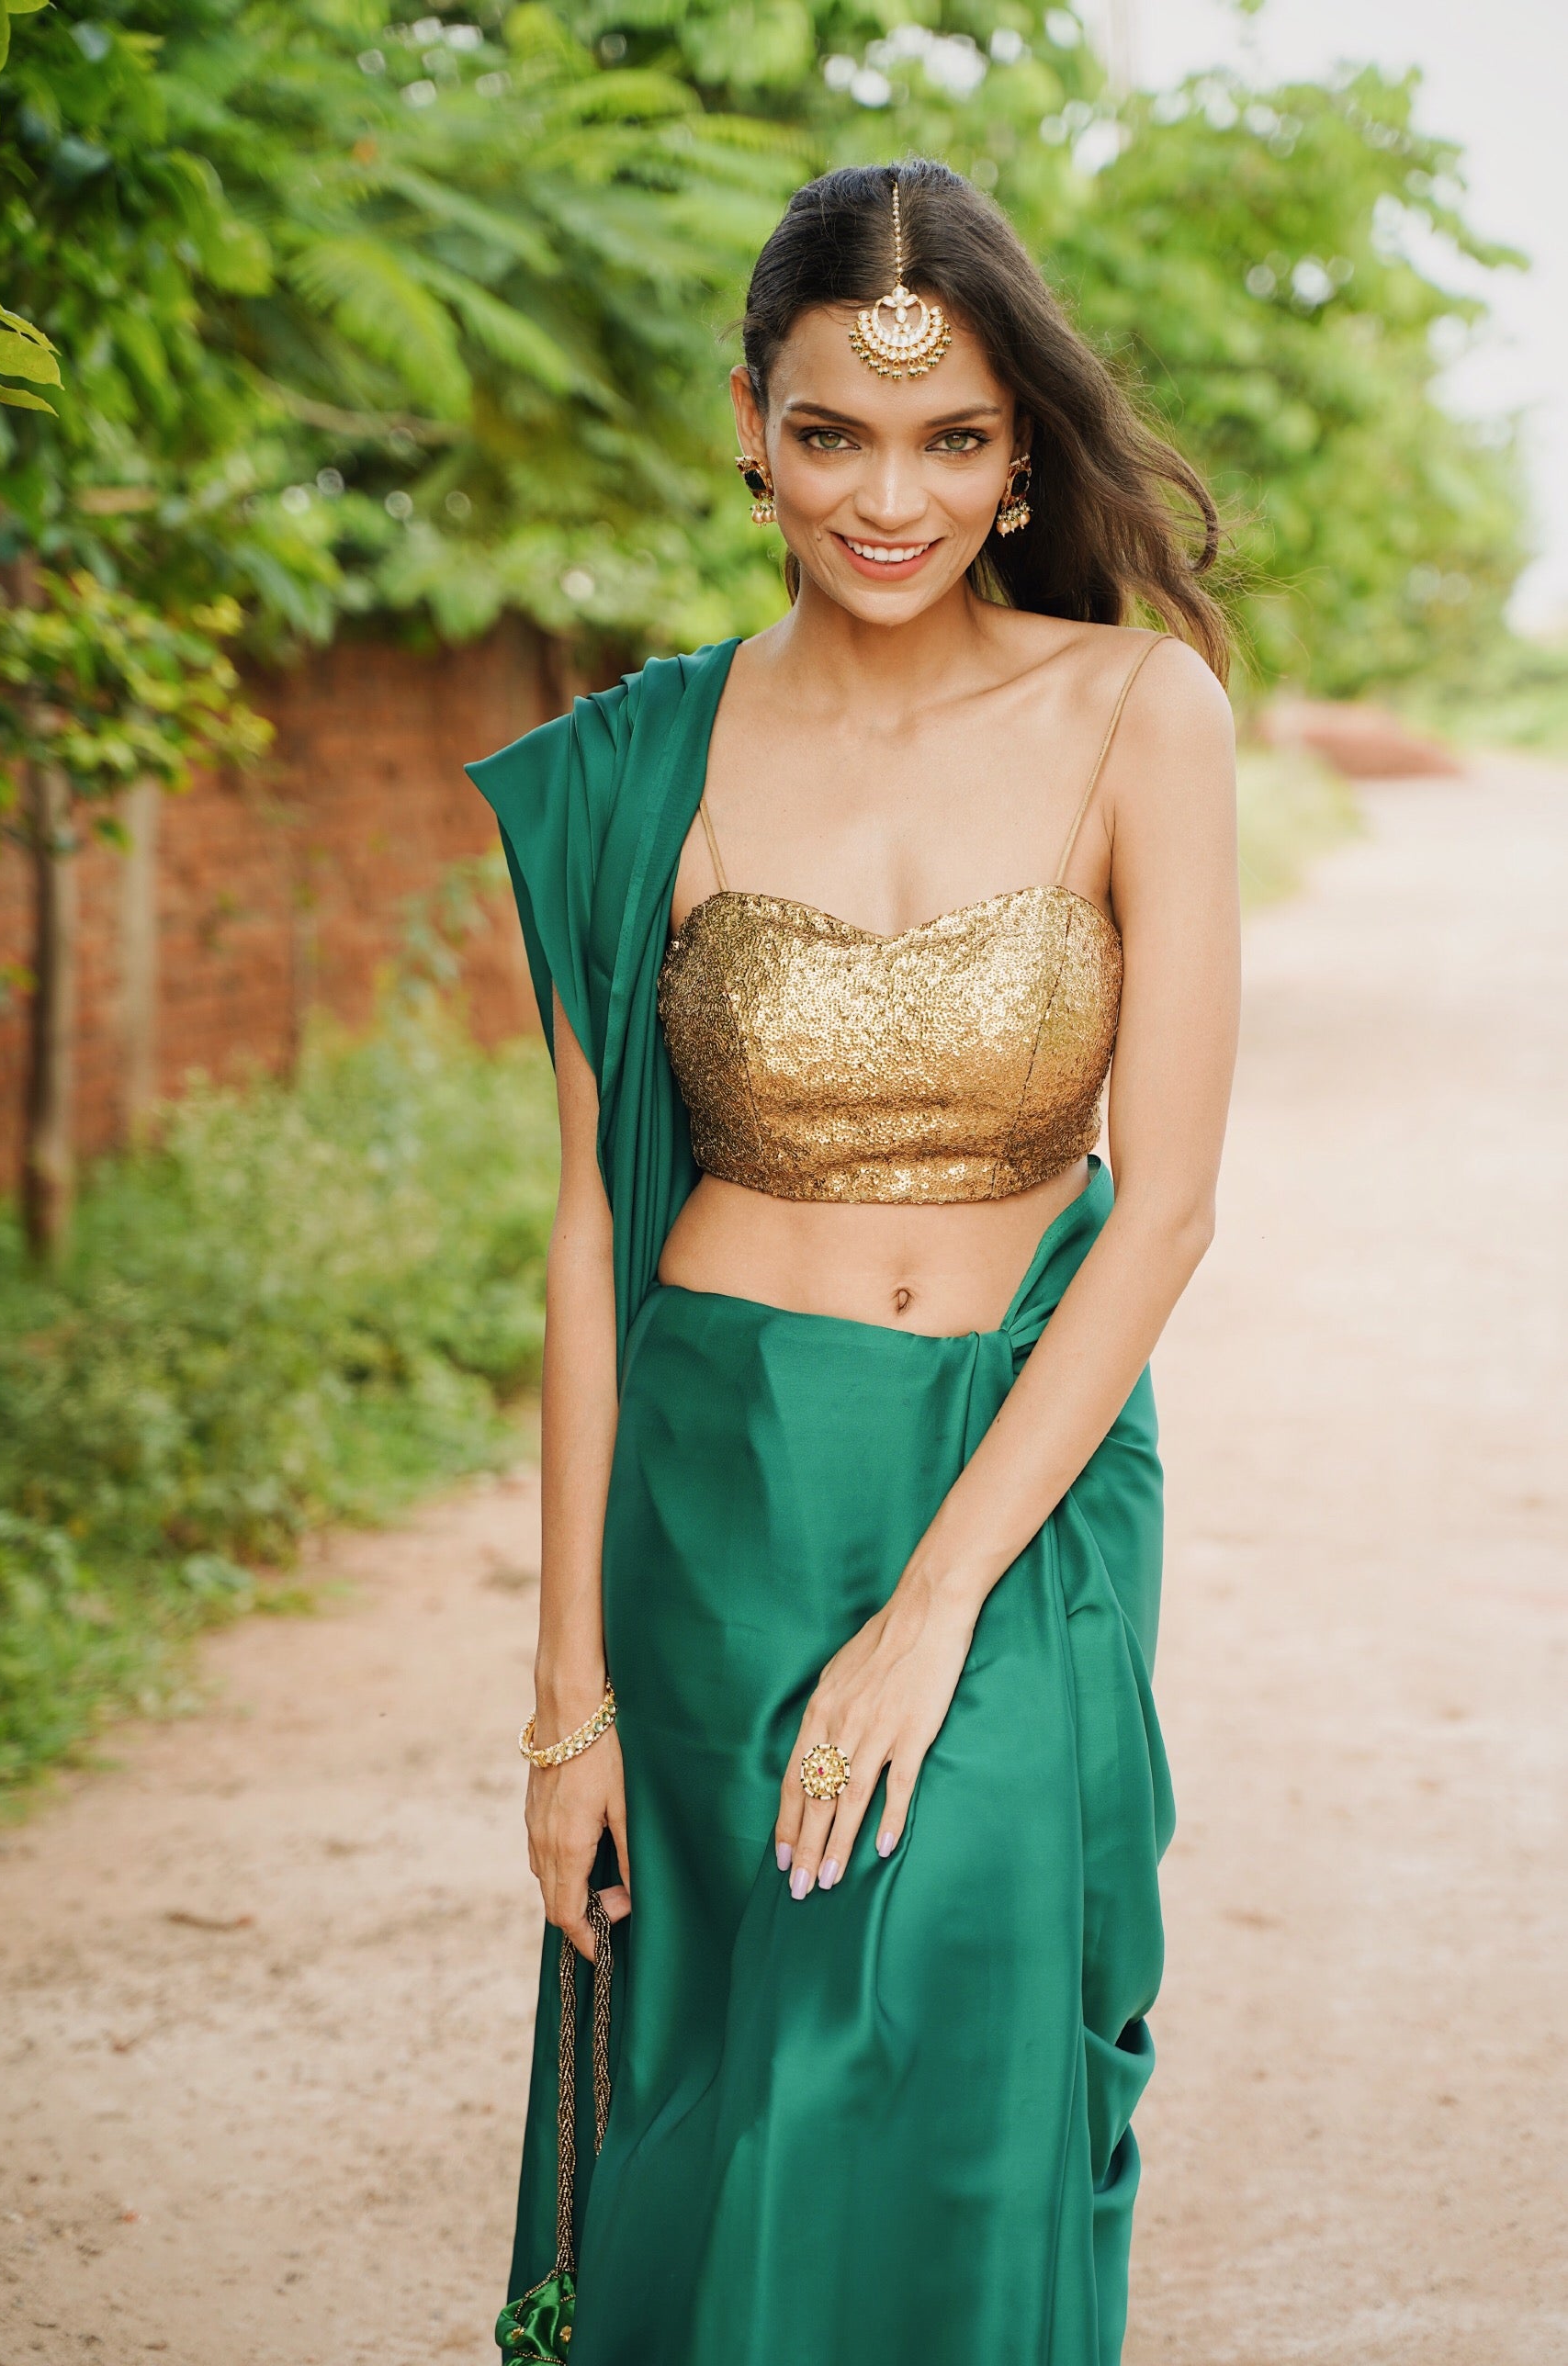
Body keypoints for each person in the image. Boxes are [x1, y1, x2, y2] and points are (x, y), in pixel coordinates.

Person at [468, 157, 1239, 2366]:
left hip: (1012, 1495)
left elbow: (1163, 1205)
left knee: (966, 2054)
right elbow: (592, 1223)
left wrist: (928, 1615)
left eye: (950, 438)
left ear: (1019, 459)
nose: (885, 495)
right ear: (748, 427)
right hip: (716, 1504)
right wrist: (563, 1707)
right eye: (831, 433)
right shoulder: (635, 765)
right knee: (735, 2113)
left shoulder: (1132, 714)